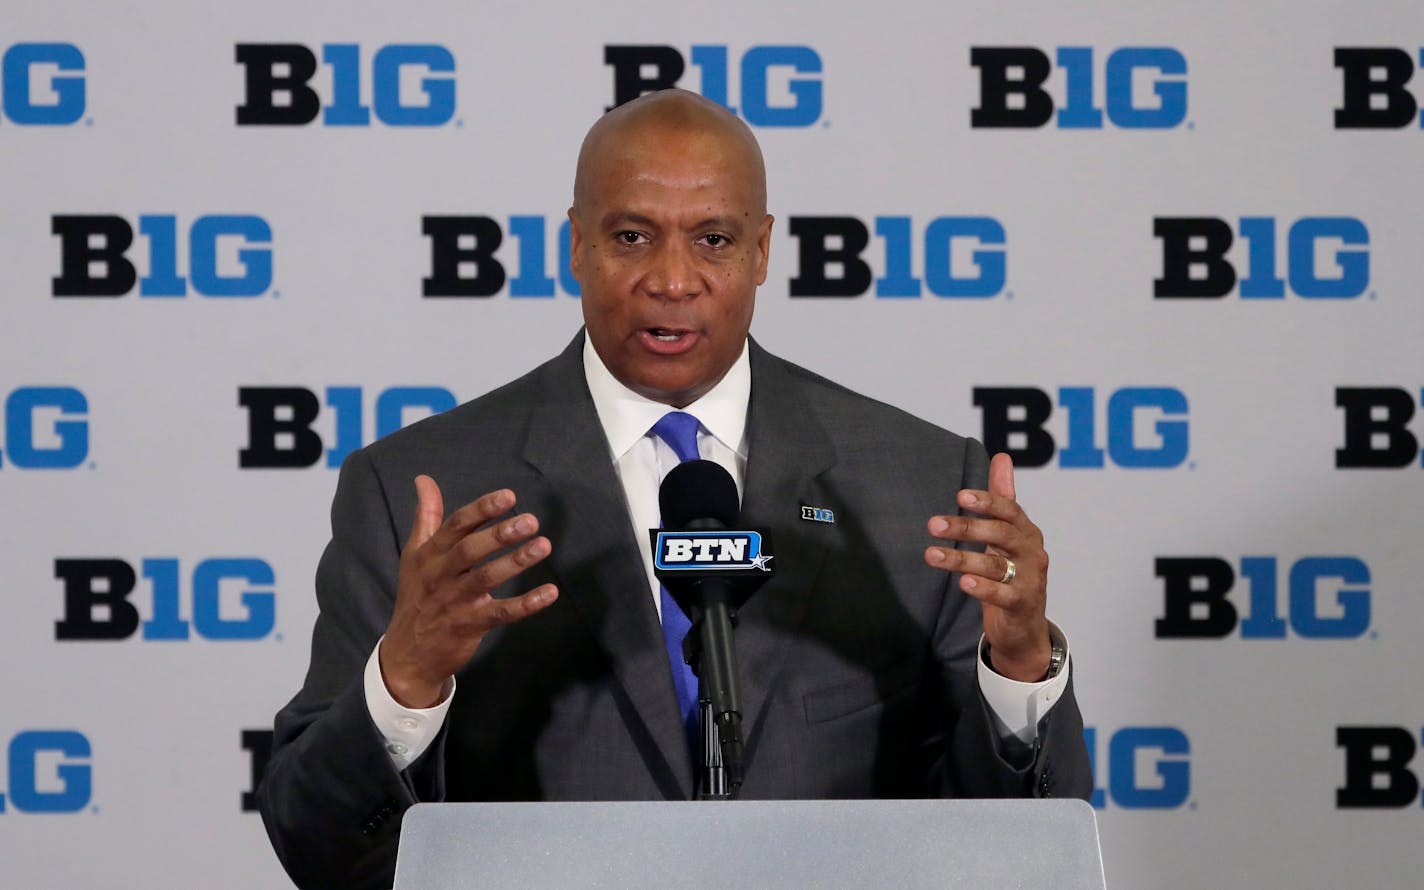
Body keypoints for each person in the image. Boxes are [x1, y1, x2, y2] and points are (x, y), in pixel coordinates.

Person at [258, 89, 1091, 890]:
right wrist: (405, 679)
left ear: (762, 250)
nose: (673, 279)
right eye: (631, 236)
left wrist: (1019, 667)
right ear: (575, 245)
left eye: (715, 241)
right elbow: (322, 851)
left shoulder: (922, 487)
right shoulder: (419, 493)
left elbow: (1010, 851)